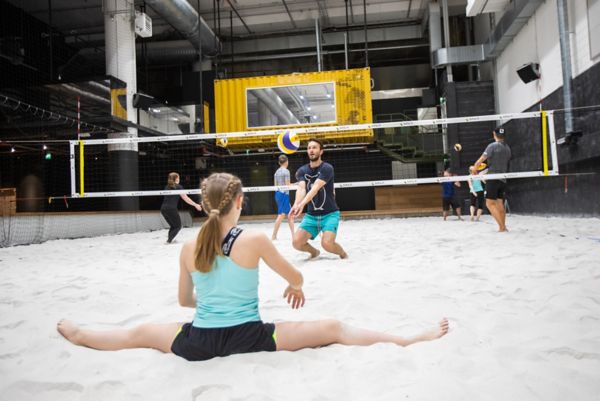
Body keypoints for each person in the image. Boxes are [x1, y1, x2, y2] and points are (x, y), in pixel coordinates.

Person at [57, 173, 449, 361]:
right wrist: (295, 286)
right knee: (334, 328)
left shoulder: (188, 248)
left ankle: (79, 334)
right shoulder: (256, 240)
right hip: (250, 337)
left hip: (198, 343)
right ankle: (408, 340)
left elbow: (183, 300)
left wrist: (213, 305)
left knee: (136, 333)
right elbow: (297, 276)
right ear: (240, 202)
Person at [289, 138, 347, 259]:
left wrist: (302, 204)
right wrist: (296, 204)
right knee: (296, 243)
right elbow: (301, 189)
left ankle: (343, 254)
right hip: (311, 216)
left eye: (314, 147)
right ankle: (314, 252)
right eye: (309, 148)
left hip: (330, 214)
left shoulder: (327, 168)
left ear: (321, 151)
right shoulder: (302, 171)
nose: (311, 150)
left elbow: (315, 188)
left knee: (327, 244)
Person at [474, 128, 512, 232]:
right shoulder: (508, 148)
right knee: (499, 203)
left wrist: (474, 169)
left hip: (493, 178)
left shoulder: (492, 146)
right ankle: (504, 227)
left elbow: (481, 160)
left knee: (489, 203)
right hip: (503, 179)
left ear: (494, 134)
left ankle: (502, 227)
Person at [161, 172, 202, 244]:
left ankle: (170, 240)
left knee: (173, 226)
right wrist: (196, 205)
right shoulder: (179, 187)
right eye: (179, 177)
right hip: (171, 209)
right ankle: (168, 241)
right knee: (177, 226)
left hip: (163, 209)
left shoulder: (166, 186)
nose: (179, 179)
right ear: (176, 178)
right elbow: (186, 198)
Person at [271, 154, 295, 240]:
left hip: (278, 193)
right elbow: (287, 185)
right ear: (287, 161)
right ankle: (274, 236)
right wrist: (296, 184)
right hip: (284, 194)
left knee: (290, 214)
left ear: (279, 162)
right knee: (281, 215)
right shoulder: (286, 171)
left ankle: (293, 235)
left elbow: (275, 185)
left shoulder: (276, 172)